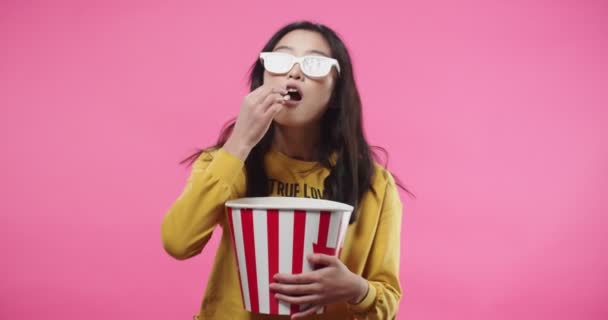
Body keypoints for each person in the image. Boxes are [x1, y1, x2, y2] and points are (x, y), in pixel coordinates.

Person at [161, 20, 407, 320]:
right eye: (281, 60)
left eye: (313, 64)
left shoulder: (374, 184)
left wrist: (356, 289)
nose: (294, 72)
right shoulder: (227, 162)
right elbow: (178, 242)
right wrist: (240, 142)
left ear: (336, 92)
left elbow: (387, 302)